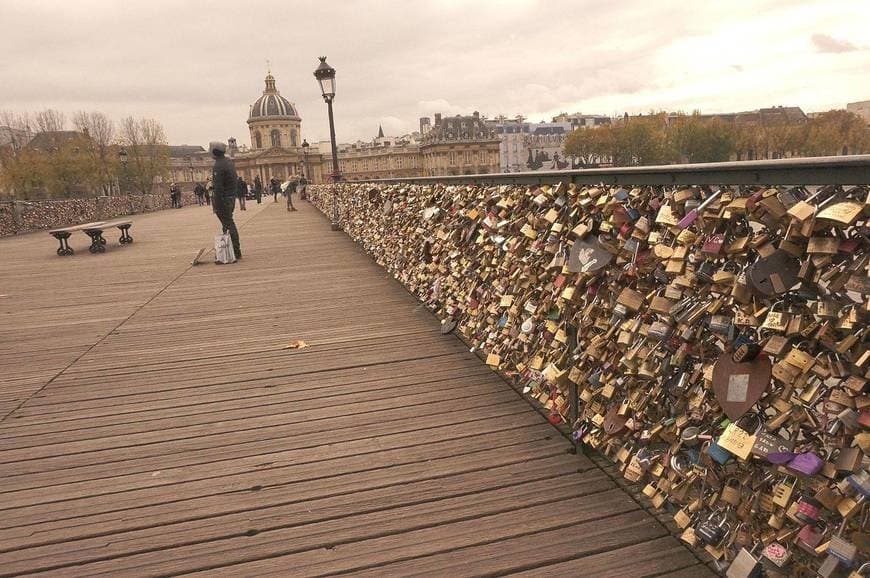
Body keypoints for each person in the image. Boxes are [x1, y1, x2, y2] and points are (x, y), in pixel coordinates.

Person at [210, 141, 241, 260]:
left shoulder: (218, 165)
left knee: (228, 223)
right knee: (228, 223)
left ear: (214, 151)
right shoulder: (228, 162)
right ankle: (231, 250)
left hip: (224, 199)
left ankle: (236, 251)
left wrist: (217, 204)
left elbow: (218, 188)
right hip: (231, 196)